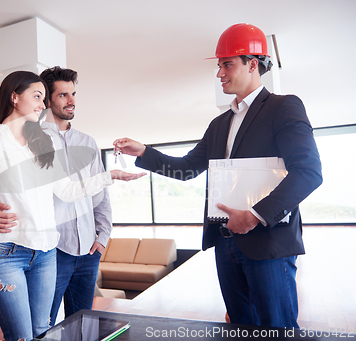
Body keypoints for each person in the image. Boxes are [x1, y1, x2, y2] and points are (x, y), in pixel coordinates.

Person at [113, 23, 322, 328]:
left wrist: (254, 215)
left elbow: (309, 173)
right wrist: (144, 152)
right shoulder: (219, 124)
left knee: (277, 329)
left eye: (227, 64)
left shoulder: (283, 107)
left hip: (267, 242)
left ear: (253, 64)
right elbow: (186, 169)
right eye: (219, 65)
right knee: (239, 328)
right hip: (226, 244)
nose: (219, 73)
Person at [0, 71, 144, 341]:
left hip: (46, 253)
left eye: (44, 98)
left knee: (42, 332)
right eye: (37, 97)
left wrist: (110, 176)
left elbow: (68, 191)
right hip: (6, 253)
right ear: (14, 97)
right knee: (21, 336)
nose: (42, 105)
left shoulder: (42, 143)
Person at [0, 66, 113, 326]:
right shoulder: (31, 139)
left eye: (73, 94)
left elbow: (100, 196)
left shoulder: (88, 142)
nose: (72, 100)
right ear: (47, 99)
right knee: (44, 325)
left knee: (83, 323)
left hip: (88, 249)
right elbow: (0, 189)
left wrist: (102, 237)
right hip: (51, 250)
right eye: (63, 95)